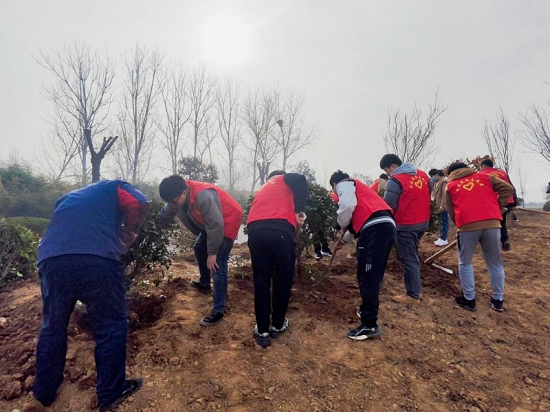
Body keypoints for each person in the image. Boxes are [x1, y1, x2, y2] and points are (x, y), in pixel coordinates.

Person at [26, 180, 149, 412]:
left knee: (53, 325)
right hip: (96, 258)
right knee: (111, 324)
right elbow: (136, 201)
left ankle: (44, 392)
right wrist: (130, 230)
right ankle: (111, 392)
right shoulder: (117, 185)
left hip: (51, 259)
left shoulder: (66, 199)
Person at [157, 175, 243, 326]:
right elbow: (163, 216)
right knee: (199, 247)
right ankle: (205, 283)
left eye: (174, 202)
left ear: (184, 193)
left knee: (218, 264)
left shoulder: (203, 196)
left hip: (226, 220)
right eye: (170, 202)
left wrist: (213, 253)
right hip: (209, 223)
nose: (173, 205)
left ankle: (218, 310)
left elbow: (216, 225)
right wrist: (145, 230)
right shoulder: (176, 199)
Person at [329, 170, 396, 340]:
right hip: (385, 225)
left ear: (335, 185)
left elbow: (347, 208)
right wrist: (342, 243)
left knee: (368, 276)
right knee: (374, 272)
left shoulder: (345, 183)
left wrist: (341, 222)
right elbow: (353, 227)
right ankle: (367, 309)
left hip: (375, 227)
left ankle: (369, 324)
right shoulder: (360, 191)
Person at [246, 170, 308, 348]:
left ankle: (263, 331)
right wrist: (299, 210)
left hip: (255, 231)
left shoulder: (262, 189)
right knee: (283, 278)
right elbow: (300, 179)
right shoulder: (283, 179)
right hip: (280, 230)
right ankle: (278, 325)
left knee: (262, 281)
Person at [445, 162, 514, 312]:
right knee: (495, 263)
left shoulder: (450, 185)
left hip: (467, 225)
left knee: (465, 262)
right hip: (493, 224)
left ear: (451, 173)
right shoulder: (485, 177)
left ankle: (469, 299)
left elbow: (450, 210)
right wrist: (498, 206)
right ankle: (498, 300)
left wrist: (460, 224)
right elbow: (508, 189)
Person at [380, 154, 431, 305]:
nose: (387, 173)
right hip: (422, 222)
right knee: (412, 255)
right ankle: (416, 290)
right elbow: (428, 192)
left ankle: (413, 295)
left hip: (406, 225)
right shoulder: (422, 175)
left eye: (386, 169)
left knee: (409, 258)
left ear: (393, 166)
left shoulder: (395, 181)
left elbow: (389, 207)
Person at [479, 158, 517, 251]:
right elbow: (511, 187)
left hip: (492, 202)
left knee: (489, 223)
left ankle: (492, 243)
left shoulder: (481, 175)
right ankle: (505, 240)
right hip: (506, 201)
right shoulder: (503, 173)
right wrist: (514, 203)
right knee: (502, 222)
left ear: (483, 166)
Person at [428, 169, 449, 246]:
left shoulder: (443, 182)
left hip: (442, 206)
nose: (432, 178)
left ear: (437, 174)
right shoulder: (435, 182)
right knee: (440, 222)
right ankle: (441, 237)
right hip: (437, 205)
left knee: (444, 222)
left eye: (432, 176)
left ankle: (444, 238)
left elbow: (444, 195)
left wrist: (443, 205)